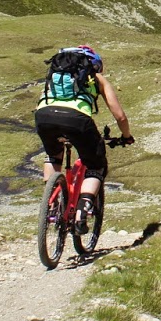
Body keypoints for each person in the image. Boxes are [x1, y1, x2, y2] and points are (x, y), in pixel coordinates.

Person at [34, 45, 133, 228]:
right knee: (96, 165)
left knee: (53, 155)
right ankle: (82, 210)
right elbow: (120, 116)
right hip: (77, 121)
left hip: (44, 117)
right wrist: (126, 136)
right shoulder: (97, 78)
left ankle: (51, 202)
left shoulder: (55, 75)